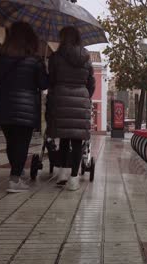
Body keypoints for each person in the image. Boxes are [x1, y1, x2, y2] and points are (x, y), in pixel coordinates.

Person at [0, 21, 49, 193]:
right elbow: (43, 84)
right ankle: (14, 179)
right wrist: (43, 69)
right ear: (29, 38)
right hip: (27, 108)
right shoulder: (35, 59)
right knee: (22, 143)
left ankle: (17, 171)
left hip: (5, 106)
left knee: (11, 143)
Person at [47, 26, 95, 191]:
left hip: (60, 98)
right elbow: (91, 83)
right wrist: (84, 96)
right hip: (80, 100)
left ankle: (62, 173)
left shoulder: (55, 57)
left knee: (63, 140)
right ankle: (74, 179)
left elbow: (51, 80)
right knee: (77, 142)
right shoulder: (87, 58)